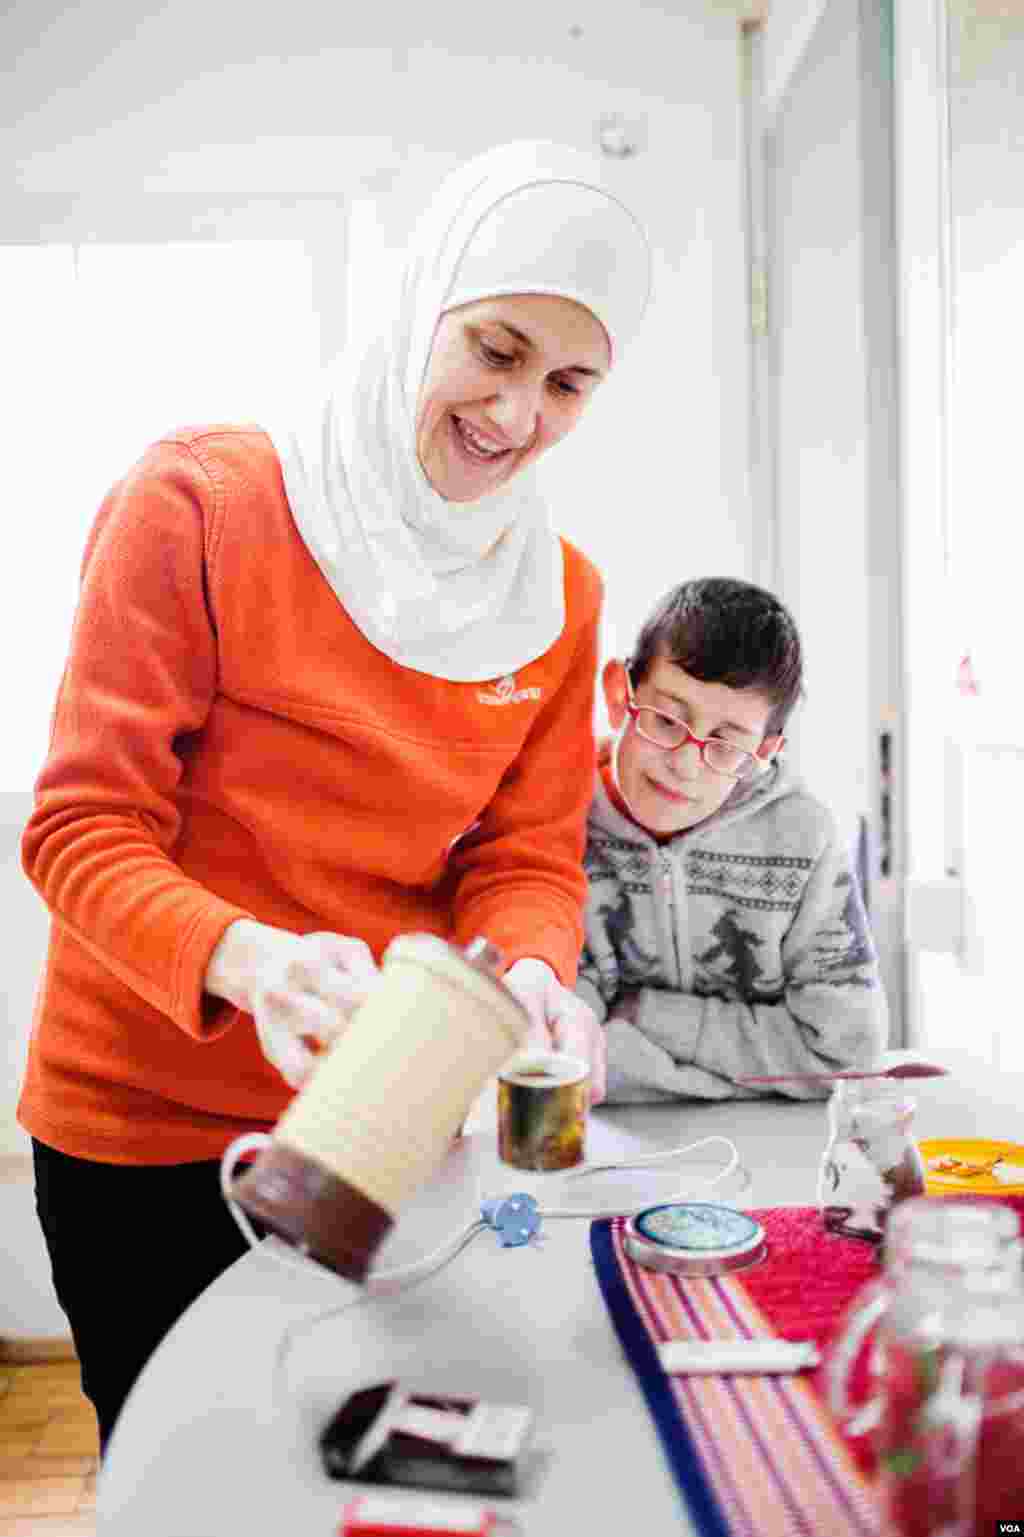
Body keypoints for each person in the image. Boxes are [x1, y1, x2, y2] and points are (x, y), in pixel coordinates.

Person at [19, 140, 652, 1453]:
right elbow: (79, 826)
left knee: (352, 1465)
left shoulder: (559, 595)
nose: (517, 413)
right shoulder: (197, 502)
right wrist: (252, 963)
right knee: (181, 1471)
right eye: (493, 349)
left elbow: (528, 861)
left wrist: (536, 974)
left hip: (387, 1130)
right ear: (423, 306)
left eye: (570, 383)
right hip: (142, 1134)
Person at [575, 577, 887, 1102]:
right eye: (667, 720)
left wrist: (646, 1016)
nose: (684, 763)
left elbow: (846, 1054)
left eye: (725, 744)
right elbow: (557, 1047)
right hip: (605, 1135)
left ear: (764, 751)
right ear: (618, 695)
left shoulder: (800, 839)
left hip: (774, 1143)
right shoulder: (559, 815)